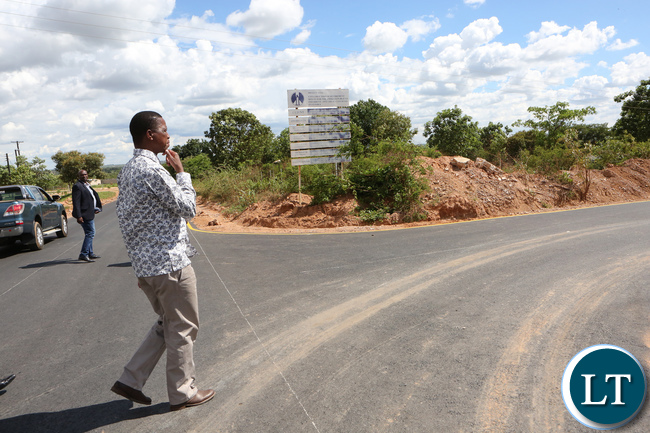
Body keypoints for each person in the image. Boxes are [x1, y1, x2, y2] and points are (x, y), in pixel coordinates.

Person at [111, 111, 214, 412]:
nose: (169, 136)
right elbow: (188, 207)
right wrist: (181, 173)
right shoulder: (151, 170)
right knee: (182, 327)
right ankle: (183, 392)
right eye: (164, 131)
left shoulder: (127, 170)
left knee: (167, 322)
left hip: (146, 269)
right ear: (150, 136)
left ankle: (131, 379)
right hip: (170, 266)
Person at [72, 169, 102, 262]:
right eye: (82, 175)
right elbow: (76, 202)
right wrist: (79, 216)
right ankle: (83, 254)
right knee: (90, 232)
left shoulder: (87, 185)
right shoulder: (77, 186)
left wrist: (96, 208)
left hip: (90, 212)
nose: (84, 176)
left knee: (89, 233)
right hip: (84, 214)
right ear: (79, 177)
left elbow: (91, 198)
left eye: (85, 174)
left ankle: (90, 253)